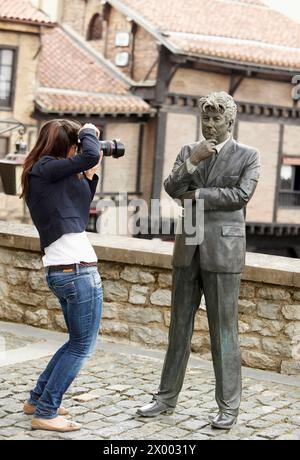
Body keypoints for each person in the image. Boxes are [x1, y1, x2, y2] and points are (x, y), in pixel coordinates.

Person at [137, 92, 260, 430]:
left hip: (224, 254)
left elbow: (240, 197)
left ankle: (228, 407)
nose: (208, 125)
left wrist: (197, 195)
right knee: (178, 328)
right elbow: (171, 188)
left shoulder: (249, 156)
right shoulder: (189, 152)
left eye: (215, 119)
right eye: (205, 119)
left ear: (229, 121)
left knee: (224, 332)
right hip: (187, 247)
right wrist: (193, 162)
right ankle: (165, 398)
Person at [20, 120, 103, 432]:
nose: (78, 152)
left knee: (75, 342)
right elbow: (88, 156)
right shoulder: (45, 167)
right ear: (66, 145)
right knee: (82, 346)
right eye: (75, 145)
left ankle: (37, 400)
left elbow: (79, 207)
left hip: (68, 269)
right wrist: (89, 133)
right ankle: (46, 411)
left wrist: (91, 173)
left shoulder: (46, 174)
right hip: (77, 271)